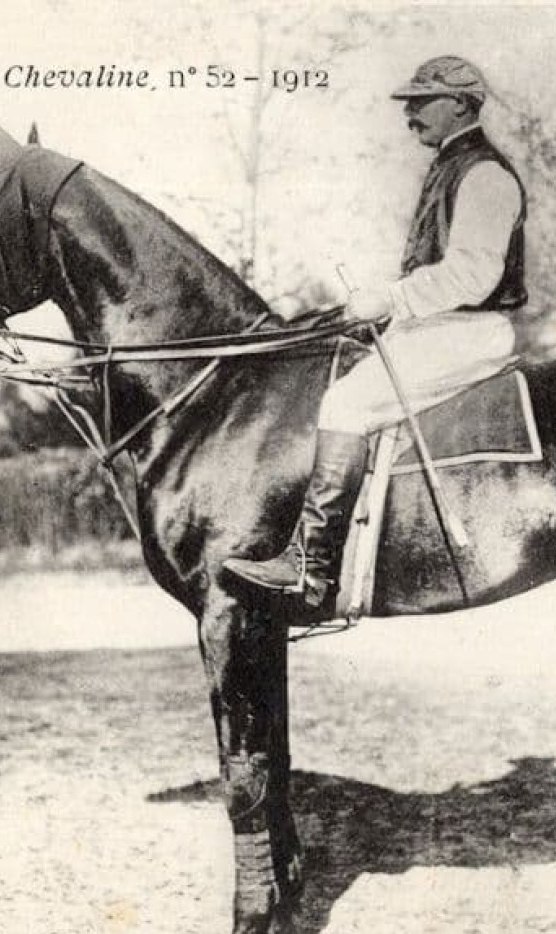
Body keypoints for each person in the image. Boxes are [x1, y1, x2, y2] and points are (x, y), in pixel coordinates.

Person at [223, 55, 528, 609]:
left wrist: (391, 298)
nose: (409, 113)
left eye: (421, 101)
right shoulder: (449, 166)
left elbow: (474, 274)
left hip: (468, 332)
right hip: (438, 327)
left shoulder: (483, 173)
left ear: (460, 103)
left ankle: (311, 573)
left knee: (344, 405)